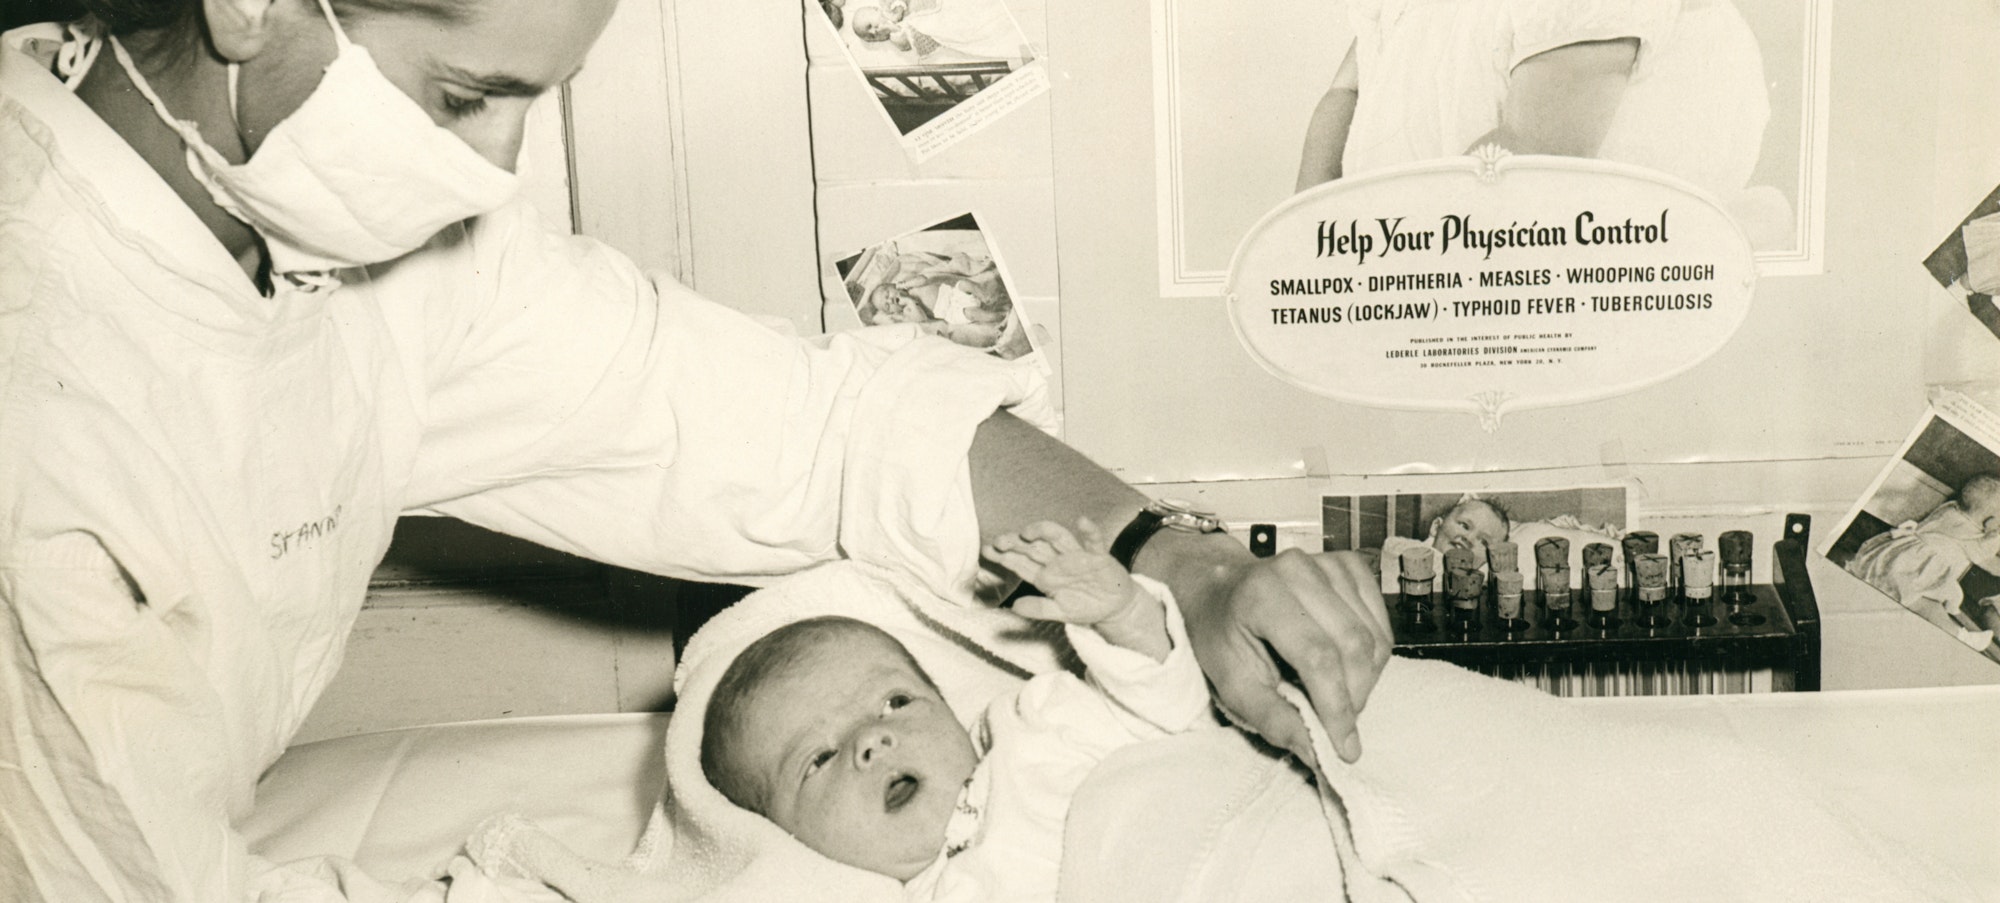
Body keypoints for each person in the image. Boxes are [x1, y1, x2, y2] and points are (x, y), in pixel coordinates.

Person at [0, 1, 1390, 900]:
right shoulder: (46, 390)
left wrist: (1176, 560)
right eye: (460, 94)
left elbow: (826, 426)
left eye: (538, 97)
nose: (496, 168)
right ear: (248, 3)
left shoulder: (366, 257)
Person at [700, 518, 1207, 898]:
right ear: (785, 840)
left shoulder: (1033, 731)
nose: (871, 741)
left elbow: (1161, 709)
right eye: (819, 758)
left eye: (894, 702)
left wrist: (1126, 617)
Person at [1294, 0, 1788, 247]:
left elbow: (1529, 160)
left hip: (1565, 255)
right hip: (1402, 244)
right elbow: (1346, 92)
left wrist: (1382, 254)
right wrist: (1308, 225)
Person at [1845, 474, 2000, 651]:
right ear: (1990, 522)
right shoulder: (1982, 538)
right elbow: (1990, 563)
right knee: (1928, 608)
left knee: (1893, 585)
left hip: (1898, 556)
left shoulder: (1950, 509)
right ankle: (1959, 636)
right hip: (1921, 570)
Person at [1375, 497, 1512, 590]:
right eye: (1464, 525)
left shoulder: (1478, 586)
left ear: (1487, 560)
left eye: (1483, 541)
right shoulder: (1404, 548)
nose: (1469, 538)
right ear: (1436, 527)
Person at [847, 0, 1027, 62]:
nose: (874, 31)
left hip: (930, 4)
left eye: (870, 25)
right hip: (934, 27)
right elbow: (908, 44)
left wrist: (898, 9)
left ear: (875, 10)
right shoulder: (894, 38)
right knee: (965, 29)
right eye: (871, 37)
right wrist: (894, 32)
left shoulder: (885, 5)